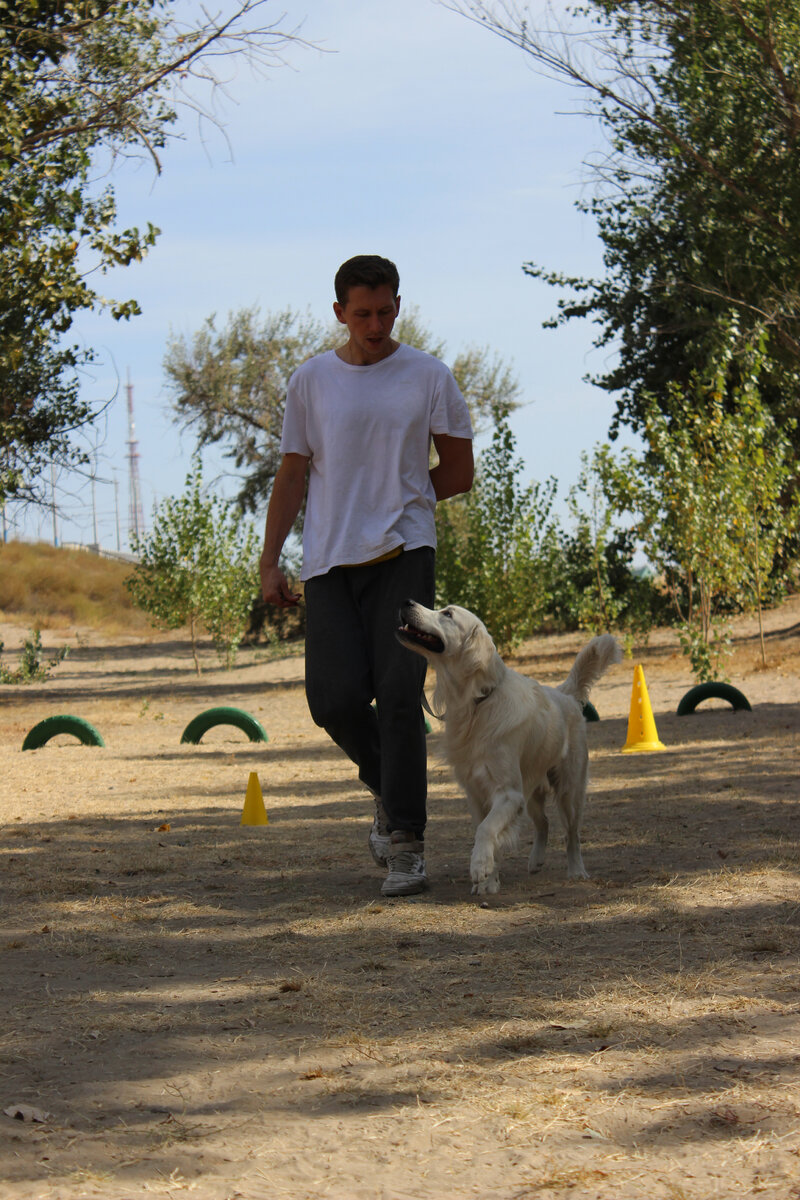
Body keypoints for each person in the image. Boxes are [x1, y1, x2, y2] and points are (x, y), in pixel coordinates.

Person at [260, 254, 474, 896]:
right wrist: (270, 560)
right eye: (362, 314)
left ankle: (407, 843)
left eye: (385, 311)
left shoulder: (429, 376)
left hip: (405, 553)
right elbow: (292, 474)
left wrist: (404, 498)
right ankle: (389, 789)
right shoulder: (311, 381)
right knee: (333, 701)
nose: (375, 325)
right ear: (339, 313)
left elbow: (458, 471)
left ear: (398, 305)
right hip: (329, 560)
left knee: (400, 696)